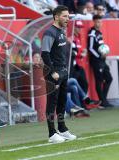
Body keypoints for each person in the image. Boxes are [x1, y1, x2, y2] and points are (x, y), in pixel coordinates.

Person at [41, 5, 76, 143]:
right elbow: (45, 53)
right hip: (53, 73)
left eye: (68, 16)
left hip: (63, 72)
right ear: (56, 17)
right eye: (65, 16)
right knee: (52, 103)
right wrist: (53, 72)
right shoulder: (49, 32)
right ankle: (51, 134)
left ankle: (62, 129)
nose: (67, 18)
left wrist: (63, 71)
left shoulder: (62, 31)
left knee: (62, 102)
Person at [87, 15, 113, 107]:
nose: (99, 24)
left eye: (100, 22)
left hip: (102, 60)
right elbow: (90, 48)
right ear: (93, 22)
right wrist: (99, 55)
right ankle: (103, 102)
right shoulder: (92, 33)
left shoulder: (99, 33)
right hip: (96, 61)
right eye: (97, 22)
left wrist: (104, 53)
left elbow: (100, 46)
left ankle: (103, 100)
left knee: (109, 78)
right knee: (99, 80)